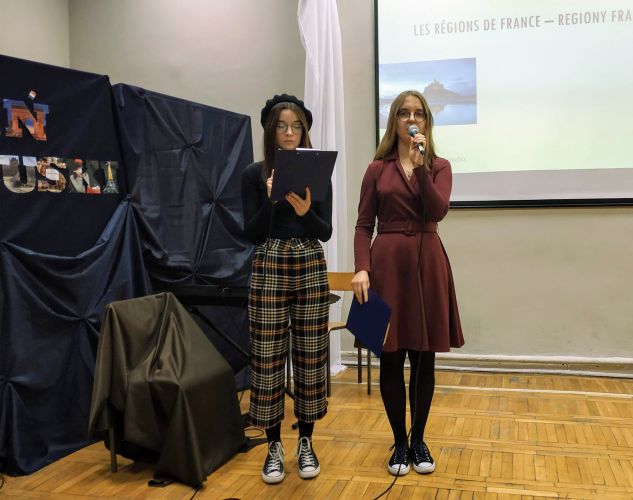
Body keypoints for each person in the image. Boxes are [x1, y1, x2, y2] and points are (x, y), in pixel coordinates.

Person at [352, 90, 464, 476]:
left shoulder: (440, 166)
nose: (411, 119)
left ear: (427, 123)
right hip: (385, 267)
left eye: (419, 113)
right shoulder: (375, 169)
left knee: (423, 357)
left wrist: (420, 170)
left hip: (427, 263)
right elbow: (363, 225)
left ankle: (419, 440)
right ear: (394, 121)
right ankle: (399, 442)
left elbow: (438, 210)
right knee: (389, 358)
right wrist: (362, 268)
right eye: (404, 113)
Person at [241, 94, 332, 484]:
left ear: (304, 130)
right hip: (269, 261)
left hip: (309, 259)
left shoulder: (316, 172)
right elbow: (250, 233)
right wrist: (270, 201)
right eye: (281, 126)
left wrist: (304, 212)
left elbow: (324, 232)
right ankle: (274, 445)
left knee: (311, 353)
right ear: (270, 130)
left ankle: (306, 441)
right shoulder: (253, 174)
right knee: (267, 356)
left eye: (296, 126)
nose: (289, 132)